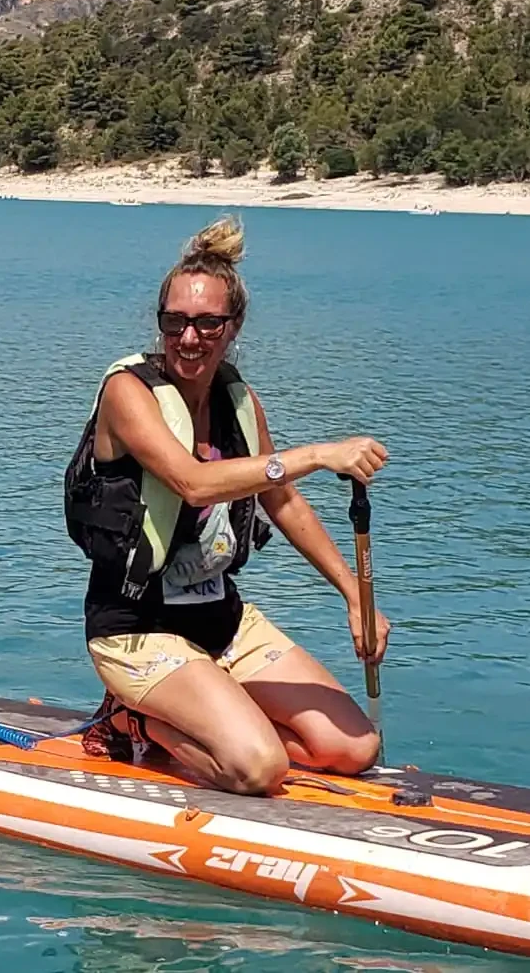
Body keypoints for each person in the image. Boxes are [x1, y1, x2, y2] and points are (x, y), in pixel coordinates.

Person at [63, 215, 389, 796]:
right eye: (175, 323)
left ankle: (220, 715)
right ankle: (130, 718)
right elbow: (193, 482)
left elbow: (281, 499)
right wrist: (316, 453)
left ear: (233, 326)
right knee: (258, 768)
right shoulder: (127, 392)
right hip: (136, 627)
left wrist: (355, 595)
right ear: (160, 323)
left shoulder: (240, 402)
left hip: (222, 621)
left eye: (207, 323)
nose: (189, 338)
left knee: (354, 748)